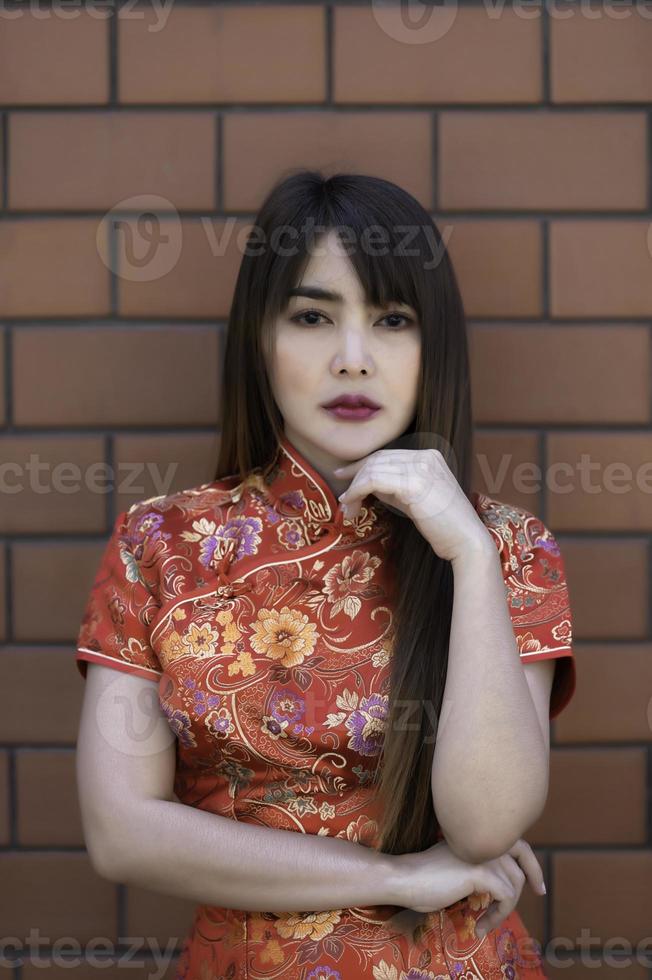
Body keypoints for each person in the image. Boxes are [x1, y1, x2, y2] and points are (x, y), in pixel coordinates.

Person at [75, 170, 576, 980]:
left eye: (391, 321)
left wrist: (471, 560)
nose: (353, 360)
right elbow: (121, 829)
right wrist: (395, 877)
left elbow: (485, 826)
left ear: (432, 345)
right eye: (312, 317)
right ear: (259, 341)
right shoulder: (161, 544)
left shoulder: (511, 548)